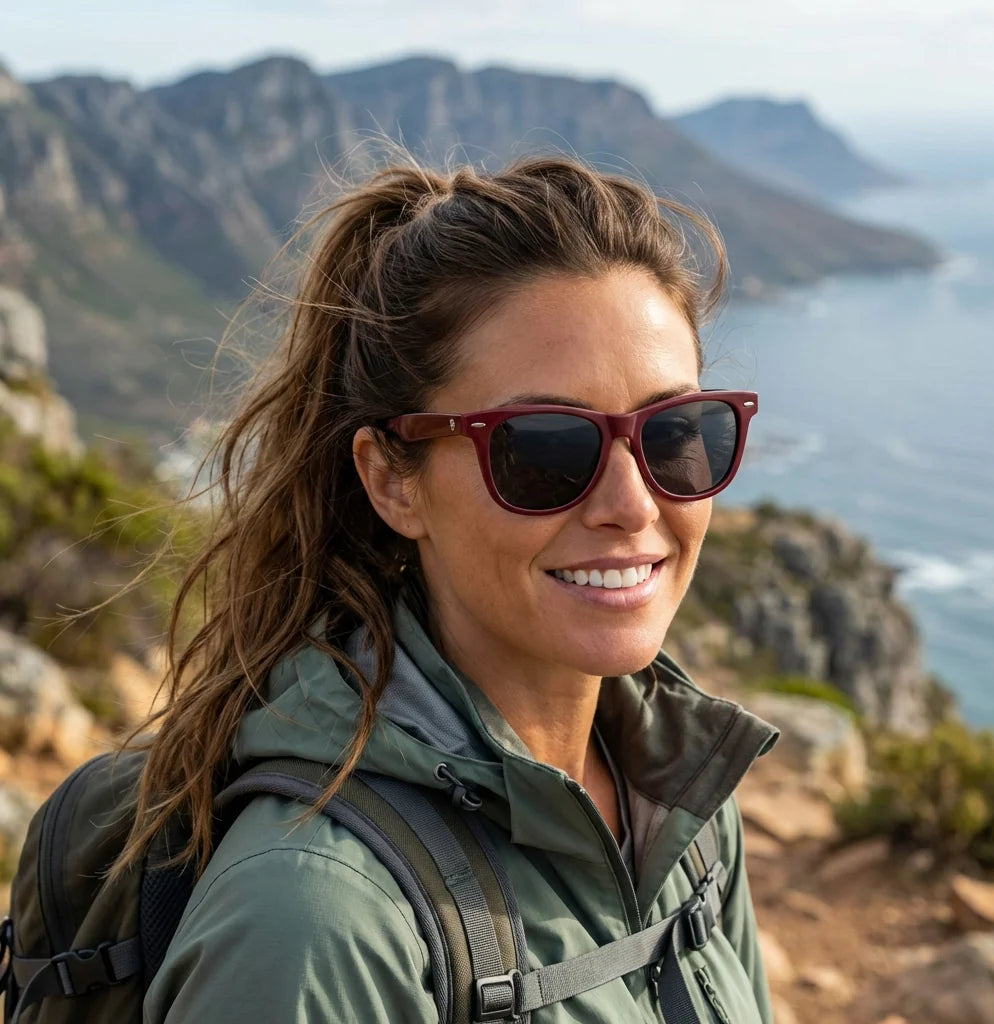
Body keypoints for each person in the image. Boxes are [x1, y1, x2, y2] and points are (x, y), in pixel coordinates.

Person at [129, 155, 779, 1023]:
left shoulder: (680, 796)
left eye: (674, 433)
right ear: (394, 482)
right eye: (543, 448)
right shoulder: (317, 926)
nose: (632, 505)